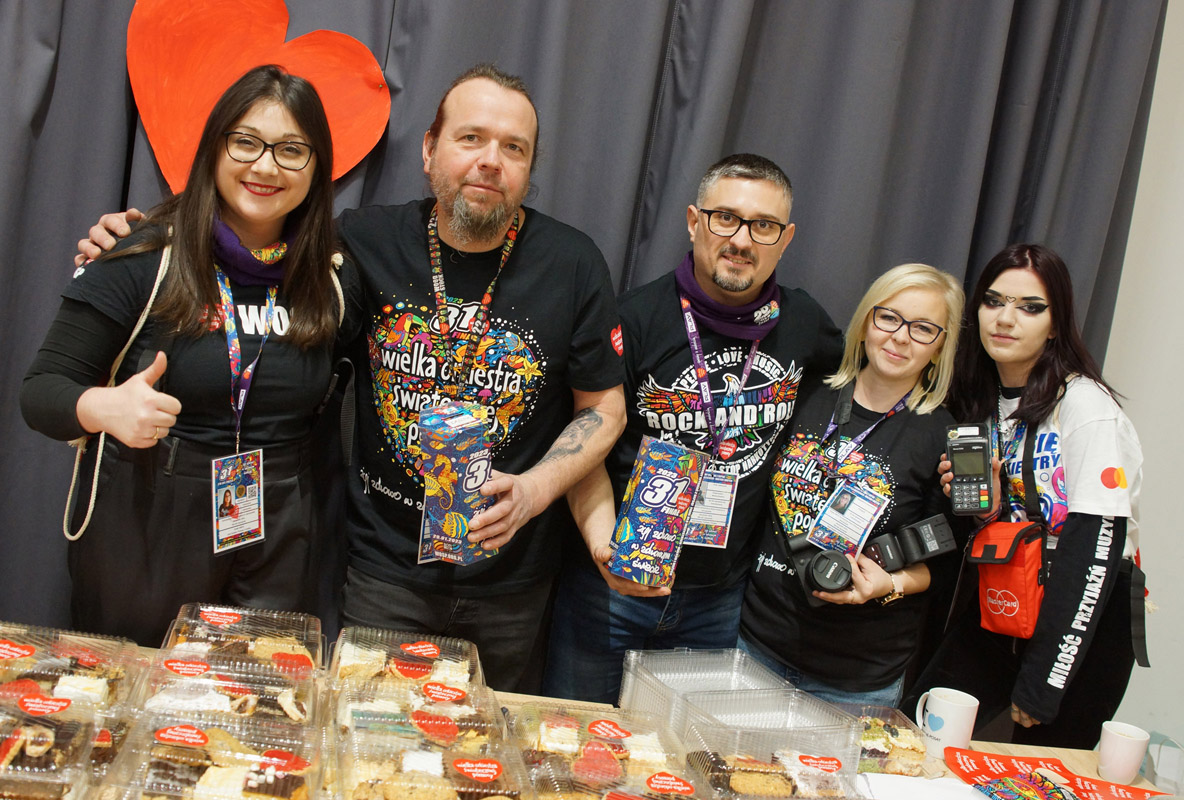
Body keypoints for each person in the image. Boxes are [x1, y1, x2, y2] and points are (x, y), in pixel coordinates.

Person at [75, 65, 625, 691]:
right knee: (371, 734)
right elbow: (246, 256)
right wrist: (139, 240)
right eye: (470, 138)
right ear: (429, 149)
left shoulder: (573, 263)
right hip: (382, 574)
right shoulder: (360, 242)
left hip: (513, 580)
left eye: (514, 147)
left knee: (484, 742)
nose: (490, 161)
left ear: (529, 167)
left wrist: (533, 491)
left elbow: (604, 408)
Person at [24, 65, 361, 647]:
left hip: (278, 518)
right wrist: (103, 409)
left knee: (254, 687)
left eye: (291, 150)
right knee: (138, 690)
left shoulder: (332, 278)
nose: (265, 167)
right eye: (246, 142)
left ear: (316, 167)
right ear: (214, 148)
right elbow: (40, 391)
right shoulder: (143, 257)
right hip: (150, 512)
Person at [544, 154, 843, 704]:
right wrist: (603, 548)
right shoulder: (634, 317)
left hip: (720, 600)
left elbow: (857, 404)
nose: (741, 240)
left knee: (684, 753)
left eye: (764, 225)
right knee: (575, 740)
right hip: (612, 586)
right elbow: (584, 441)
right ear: (692, 221)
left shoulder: (805, 324)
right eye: (724, 217)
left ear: (786, 239)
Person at [904, 243, 1146, 748]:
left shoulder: (1086, 408)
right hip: (1006, 595)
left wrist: (1045, 678)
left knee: (1041, 771)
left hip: (1081, 614)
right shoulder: (981, 398)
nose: (1005, 319)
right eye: (993, 301)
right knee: (917, 732)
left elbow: (1095, 547)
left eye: (1030, 307)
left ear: (1056, 325)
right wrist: (987, 510)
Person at [738, 263, 964, 706]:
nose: (900, 337)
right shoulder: (805, 394)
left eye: (923, 329)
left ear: (940, 348)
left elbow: (939, 565)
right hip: (757, 646)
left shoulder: (942, 437)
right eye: (889, 317)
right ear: (865, 323)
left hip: (856, 677)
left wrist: (887, 585)